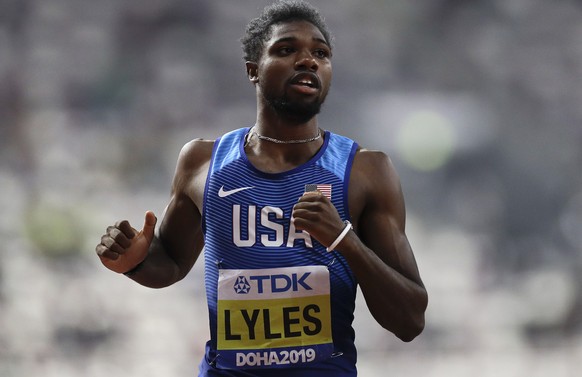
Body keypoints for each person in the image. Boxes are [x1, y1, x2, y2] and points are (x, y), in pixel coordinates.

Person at [96, 1, 428, 376]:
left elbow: (410, 320)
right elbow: (170, 265)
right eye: (287, 50)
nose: (308, 61)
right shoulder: (203, 162)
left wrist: (343, 240)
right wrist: (135, 262)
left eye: (321, 53)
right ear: (253, 70)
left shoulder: (365, 172)